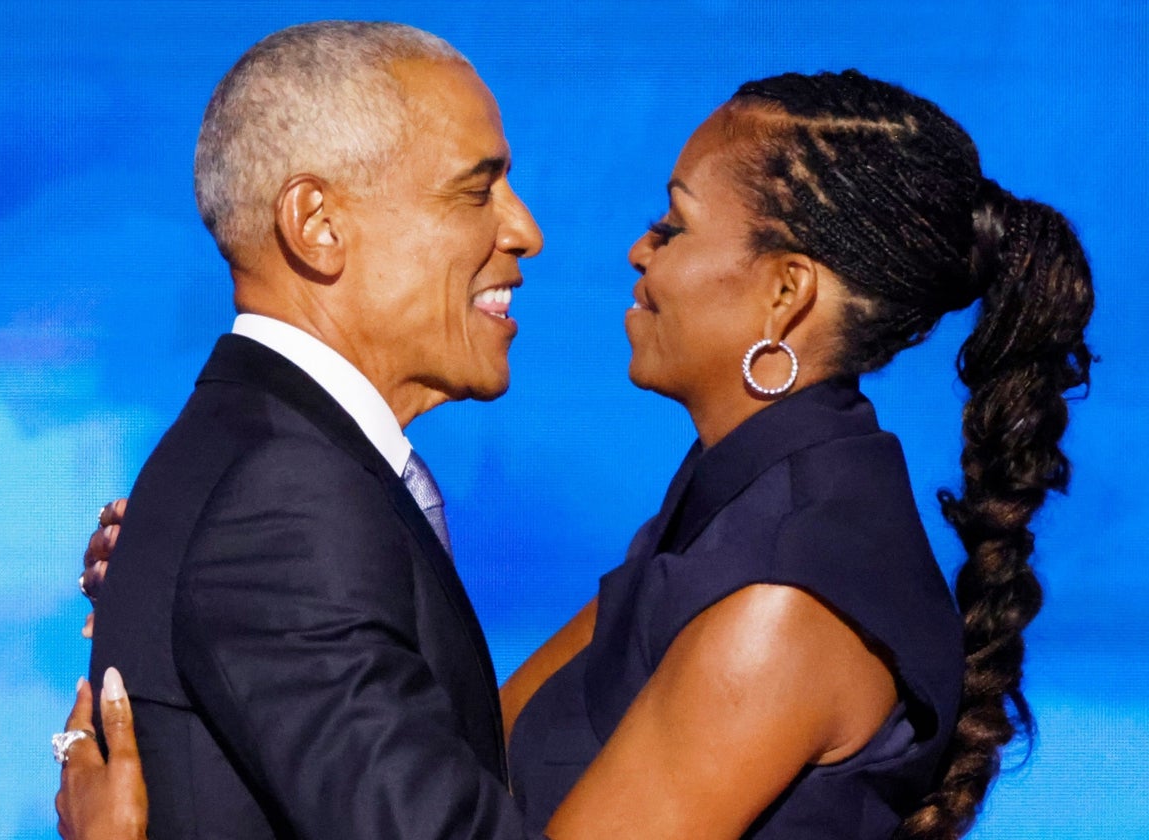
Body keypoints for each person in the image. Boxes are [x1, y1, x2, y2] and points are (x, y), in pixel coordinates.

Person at [60, 68, 1093, 840]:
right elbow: (466, 748)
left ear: (786, 292)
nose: (637, 254)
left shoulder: (783, 600)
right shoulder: (723, 513)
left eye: (671, 226)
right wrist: (211, 582)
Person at [56, 20, 545, 840]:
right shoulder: (284, 499)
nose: (522, 229)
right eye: (476, 188)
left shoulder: (268, 460)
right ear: (317, 223)